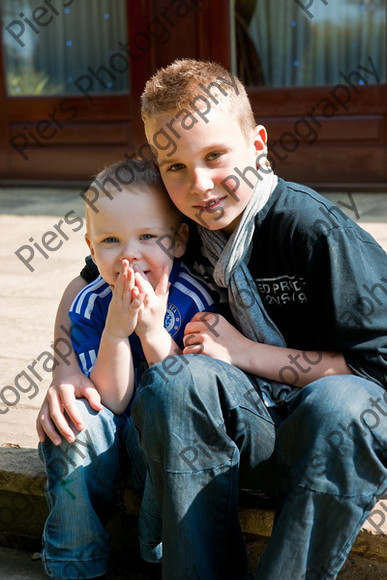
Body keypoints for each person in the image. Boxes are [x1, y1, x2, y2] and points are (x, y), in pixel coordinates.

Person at [37, 59, 387, 580]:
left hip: (321, 439)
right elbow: (85, 285)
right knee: (179, 378)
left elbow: (376, 372)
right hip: (239, 431)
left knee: (346, 404)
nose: (200, 185)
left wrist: (249, 354)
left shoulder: (312, 230)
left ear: (258, 145)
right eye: (174, 166)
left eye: (216, 155)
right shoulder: (179, 222)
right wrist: (66, 365)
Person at [37, 159, 218, 579]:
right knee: (73, 417)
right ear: (91, 247)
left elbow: (188, 393)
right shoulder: (92, 303)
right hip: (108, 436)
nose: (129, 255)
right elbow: (110, 400)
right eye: (112, 240)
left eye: (147, 237)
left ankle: (156, 547)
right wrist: (116, 333)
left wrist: (153, 332)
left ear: (178, 240)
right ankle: (75, 559)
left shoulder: (194, 298)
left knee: (174, 419)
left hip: (156, 448)